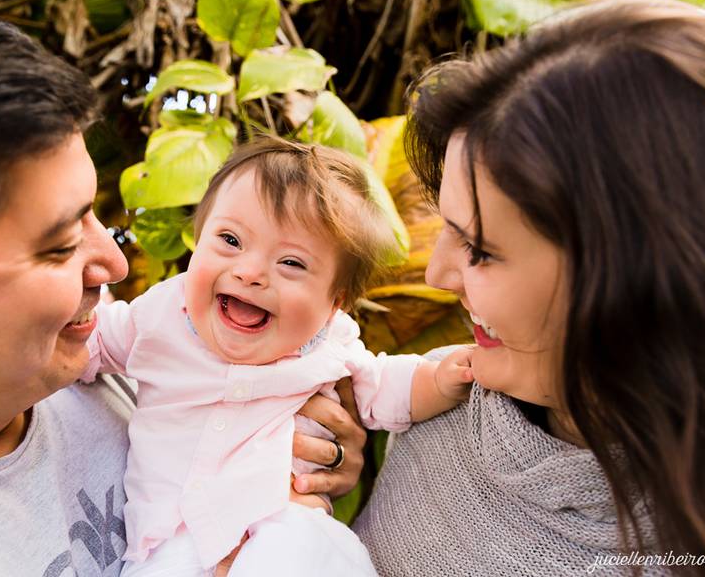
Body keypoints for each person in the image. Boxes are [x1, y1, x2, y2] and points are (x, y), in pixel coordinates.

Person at [0, 0, 366, 576]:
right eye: (62, 243)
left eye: (94, 214)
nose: (116, 266)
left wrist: (313, 454)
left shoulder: (86, 350)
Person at [353, 0, 705, 577]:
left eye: (481, 250)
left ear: (642, 281)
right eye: (447, 229)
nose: (436, 276)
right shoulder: (442, 409)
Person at [84, 137, 475, 577]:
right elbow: (88, 340)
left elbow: (385, 386)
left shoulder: (330, 348)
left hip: (281, 525)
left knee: (308, 551)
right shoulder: (157, 317)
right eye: (230, 239)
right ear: (197, 240)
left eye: (291, 263)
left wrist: (439, 381)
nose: (250, 272)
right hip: (167, 541)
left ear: (335, 304)